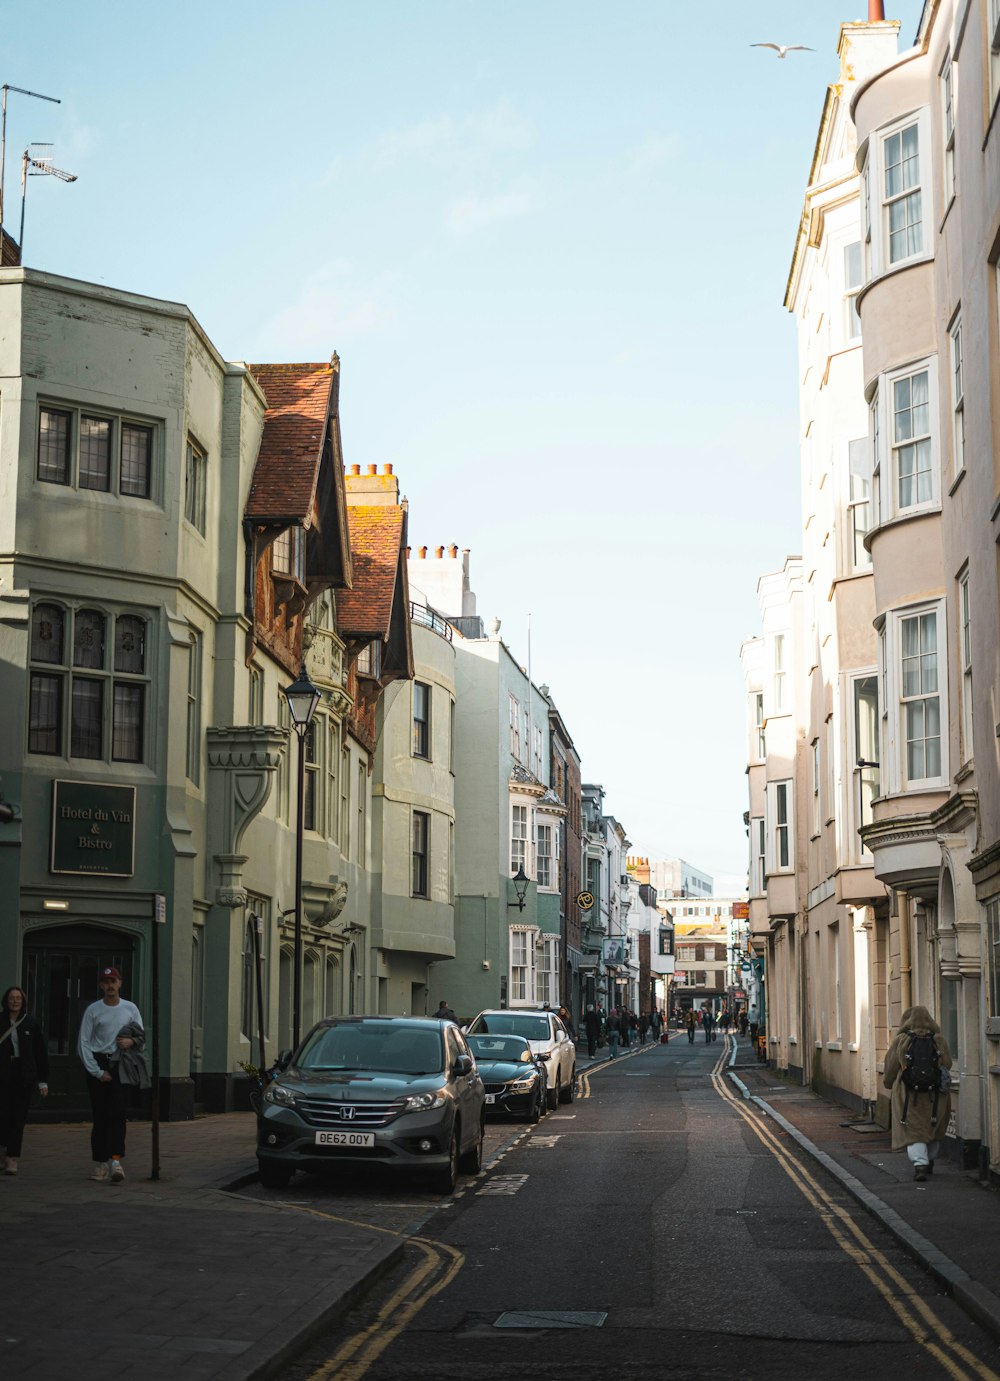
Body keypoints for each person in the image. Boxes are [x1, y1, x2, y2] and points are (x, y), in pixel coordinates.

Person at [78, 967, 145, 1183]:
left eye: (113, 981)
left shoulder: (130, 1009)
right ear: (101, 986)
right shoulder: (93, 1010)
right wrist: (97, 1072)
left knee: (118, 1113)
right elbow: (84, 1042)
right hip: (99, 1061)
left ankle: (116, 1161)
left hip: (121, 1062)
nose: (110, 985)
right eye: (105, 982)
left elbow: (140, 1035)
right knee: (100, 1115)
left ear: (120, 983)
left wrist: (131, 1042)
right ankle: (100, 1163)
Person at [883, 1005, 953, 1182]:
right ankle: (929, 1161)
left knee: (913, 1129)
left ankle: (919, 1165)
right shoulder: (938, 1039)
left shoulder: (902, 1040)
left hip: (909, 1095)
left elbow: (891, 1066)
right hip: (935, 1095)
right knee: (932, 1127)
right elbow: (948, 1064)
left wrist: (889, 1083)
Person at [0, 986, 49, 1175]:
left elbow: (40, 1054)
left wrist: (43, 1081)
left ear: (23, 1001)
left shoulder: (30, 1023)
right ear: (6, 1001)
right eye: (11, 998)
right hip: (3, 1074)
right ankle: (3, 1148)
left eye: (18, 998)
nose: (14, 1001)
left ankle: (12, 1157)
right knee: (3, 1116)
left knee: (18, 1118)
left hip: (23, 1076)